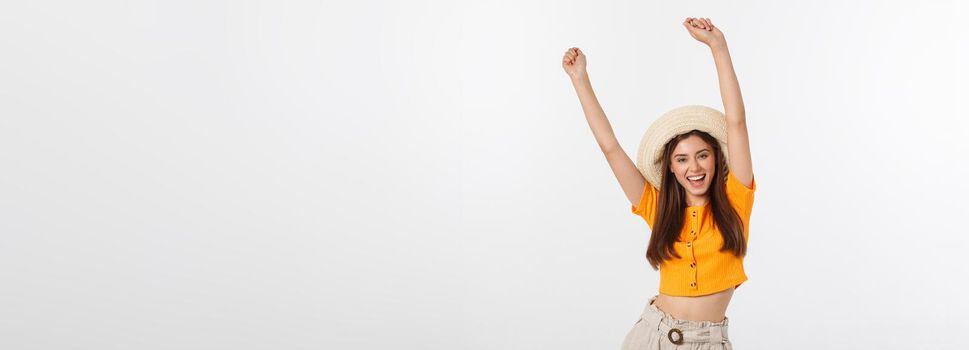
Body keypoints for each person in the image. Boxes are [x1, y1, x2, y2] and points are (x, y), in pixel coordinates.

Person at [562, 17, 756, 349]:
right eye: (682, 159)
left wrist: (718, 47)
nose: (693, 167)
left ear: (716, 158)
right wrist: (580, 80)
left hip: (707, 341)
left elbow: (736, 123)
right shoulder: (659, 208)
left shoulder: (737, 201)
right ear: (670, 168)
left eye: (702, 155)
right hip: (651, 334)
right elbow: (610, 147)